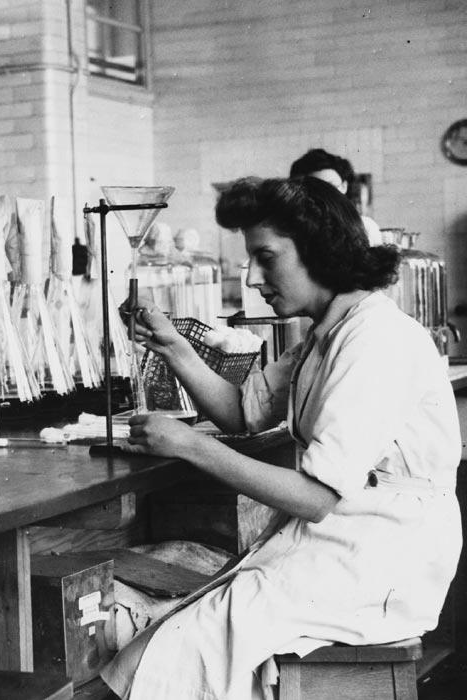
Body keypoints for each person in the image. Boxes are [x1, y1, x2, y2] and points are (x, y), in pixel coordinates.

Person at [101, 176, 461, 699]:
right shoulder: (329, 331)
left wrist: (190, 445)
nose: (251, 278)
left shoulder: (376, 339)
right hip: (347, 543)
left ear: (319, 249)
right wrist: (175, 347)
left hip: (384, 555)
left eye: (265, 257)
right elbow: (243, 411)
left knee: (183, 642)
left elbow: (315, 497)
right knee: (180, 635)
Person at [289, 147, 382, 245]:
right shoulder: (295, 231)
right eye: (316, 190)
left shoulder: (366, 227)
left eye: (331, 187)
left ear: (344, 187)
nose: (325, 195)